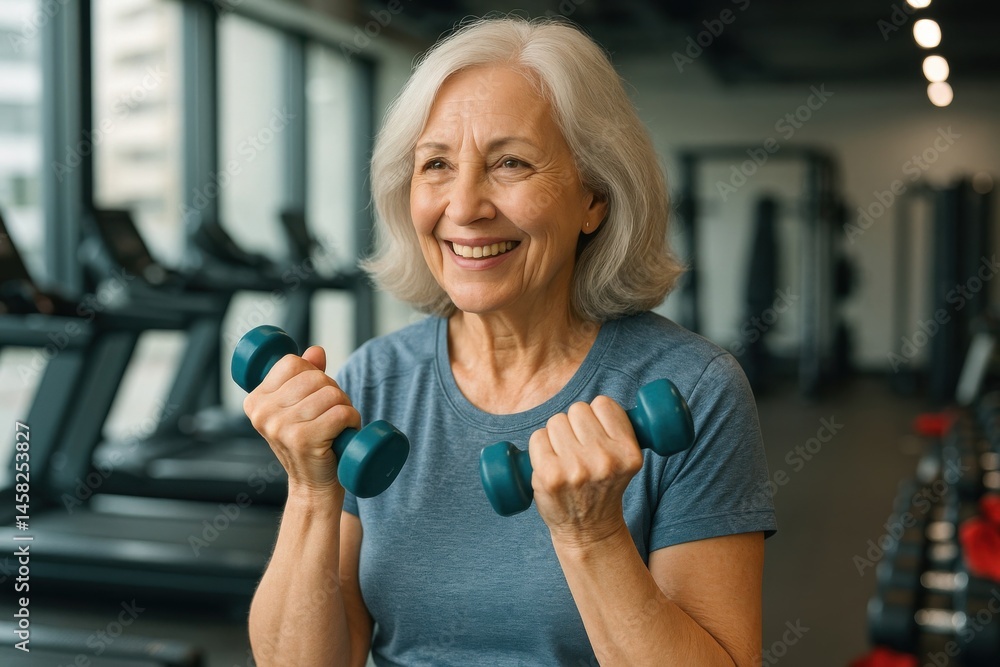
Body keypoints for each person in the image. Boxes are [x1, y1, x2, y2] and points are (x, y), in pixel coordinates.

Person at [244, 16, 776, 667]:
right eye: (436, 163)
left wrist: (593, 535)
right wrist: (309, 490)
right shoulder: (376, 379)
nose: (465, 205)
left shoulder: (696, 390)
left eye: (510, 163)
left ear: (594, 198)